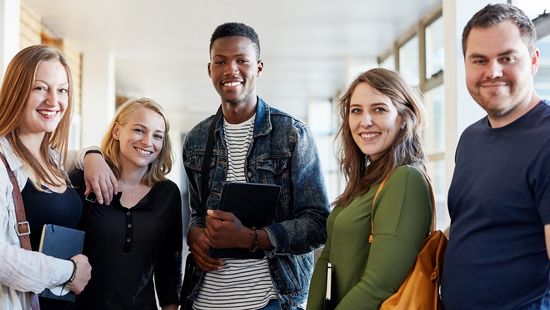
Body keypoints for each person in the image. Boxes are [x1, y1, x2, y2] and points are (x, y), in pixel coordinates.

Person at [182, 22, 330, 310]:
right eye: (220, 62)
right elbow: (198, 213)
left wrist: (253, 238)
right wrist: (195, 234)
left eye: (242, 61)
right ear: (209, 69)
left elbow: (318, 223)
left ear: (259, 68)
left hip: (272, 300)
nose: (230, 70)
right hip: (204, 299)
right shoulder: (197, 139)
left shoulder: (292, 134)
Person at [441, 4, 550, 309]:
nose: (493, 71)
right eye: (480, 60)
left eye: (507, 58)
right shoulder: (471, 138)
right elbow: (482, 218)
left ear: (533, 61)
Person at [307, 68, 432, 309]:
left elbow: (379, 286)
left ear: (403, 117)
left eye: (379, 109)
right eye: (356, 111)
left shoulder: (405, 180)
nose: (365, 121)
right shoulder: (366, 181)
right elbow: (328, 259)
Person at [0, 45, 94, 309]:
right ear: (17, 91)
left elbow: (74, 155)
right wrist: (70, 272)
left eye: (61, 90)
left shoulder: (52, 158)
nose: (54, 101)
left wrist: (92, 155)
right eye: (40, 88)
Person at [70, 98, 183, 310]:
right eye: (139, 130)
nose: (148, 142)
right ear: (116, 132)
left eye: (157, 136)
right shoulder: (84, 180)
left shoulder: (168, 194)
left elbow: (169, 265)